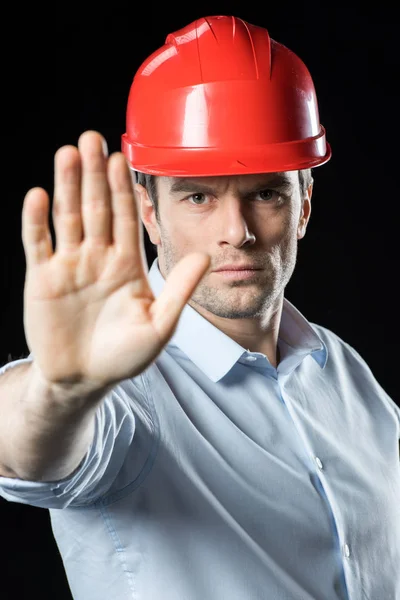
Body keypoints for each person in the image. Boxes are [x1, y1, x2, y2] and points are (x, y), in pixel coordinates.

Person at [0, 14, 399, 600]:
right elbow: (24, 447)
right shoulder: (123, 394)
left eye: (265, 192)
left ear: (305, 204)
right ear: (150, 212)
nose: (236, 232)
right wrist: (62, 390)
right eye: (198, 197)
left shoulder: (345, 374)